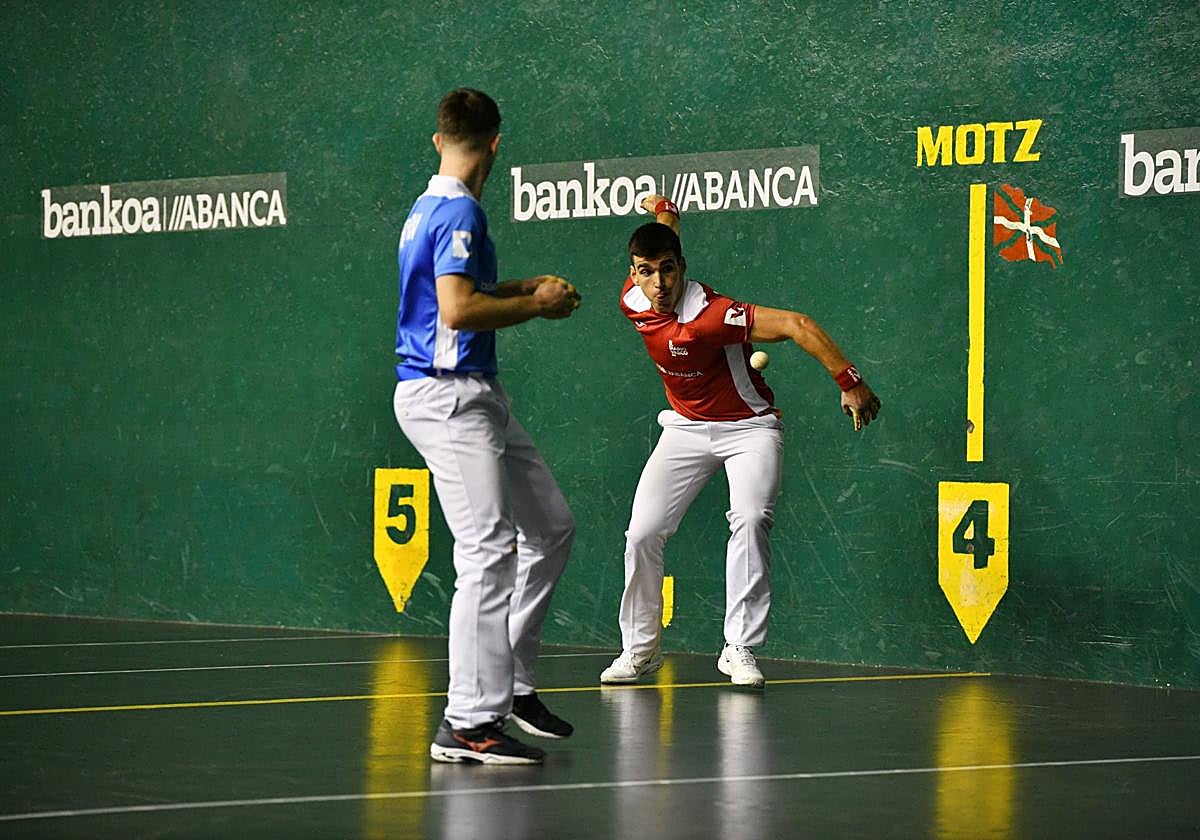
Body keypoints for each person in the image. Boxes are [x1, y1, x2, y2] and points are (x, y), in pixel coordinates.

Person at [600, 194, 881, 688]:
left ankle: (740, 648)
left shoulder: (715, 314)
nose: (659, 284)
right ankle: (640, 650)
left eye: (668, 270)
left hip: (749, 428)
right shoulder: (634, 298)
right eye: (646, 272)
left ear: (682, 268)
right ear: (633, 272)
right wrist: (666, 210)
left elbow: (799, 325)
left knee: (751, 518)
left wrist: (849, 381)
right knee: (642, 532)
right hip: (685, 428)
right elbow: (664, 234)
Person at [392, 88, 581, 764]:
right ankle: (468, 722)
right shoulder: (459, 211)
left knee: (551, 525)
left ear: (438, 138)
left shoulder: (426, 208)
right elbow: (456, 311)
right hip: (449, 399)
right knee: (487, 551)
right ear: (496, 143)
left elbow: (459, 293)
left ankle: (513, 684)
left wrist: (529, 287)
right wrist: (534, 306)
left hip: (476, 393)